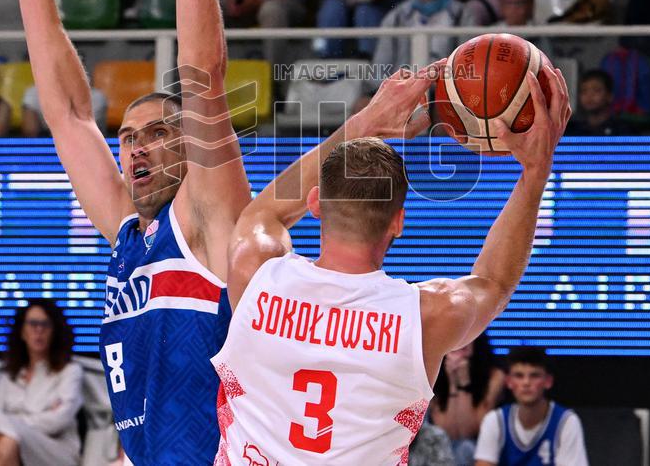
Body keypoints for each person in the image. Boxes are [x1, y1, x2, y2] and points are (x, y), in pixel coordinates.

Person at [13, 0, 250, 463]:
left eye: (157, 132)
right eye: (127, 137)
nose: (136, 147)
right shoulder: (127, 236)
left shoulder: (210, 224)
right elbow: (66, 115)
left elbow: (202, 76)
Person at [211, 61, 571, 463]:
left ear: (314, 203)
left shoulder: (255, 270)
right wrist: (537, 170)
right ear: (399, 221)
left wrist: (369, 119)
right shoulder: (427, 314)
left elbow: (266, 214)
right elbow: (495, 282)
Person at [0, 300, 83, 466]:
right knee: (5, 441)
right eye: (33, 324)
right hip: (14, 443)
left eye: (45, 324)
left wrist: (14, 422)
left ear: (55, 331)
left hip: (56, 449)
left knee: (1, 428)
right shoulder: (11, 376)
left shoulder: (70, 371)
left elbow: (59, 421)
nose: (39, 330)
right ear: (22, 332)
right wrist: (14, 424)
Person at [370, 0, 476, 88]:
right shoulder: (396, 17)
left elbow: (468, 63)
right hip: (402, 92)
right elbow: (381, 64)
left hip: (446, 92)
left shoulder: (463, 15)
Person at [474, 347, 589, 466]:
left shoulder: (566, 422)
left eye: (534, 375)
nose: (526, 383)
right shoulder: (495, 420)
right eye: (519, 376)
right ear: (508, 381)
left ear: (548, 381)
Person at [431, 333, 505, 466]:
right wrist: (453, 383)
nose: (461, 341)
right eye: (456, 335)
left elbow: (469, 431)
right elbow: (446, 431)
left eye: (467, 335)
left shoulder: (495, 375)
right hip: (443, 449)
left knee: (465, 448)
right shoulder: (432, 371)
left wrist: (464, 382)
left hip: (478, 447)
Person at [566, 70, 636, 136]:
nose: (589, 96)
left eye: (596, 90)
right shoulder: (571, 130)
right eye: (584, 91)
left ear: (609, 96)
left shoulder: (623, 131)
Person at [21, 85, 108, 137]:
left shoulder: (96, 97)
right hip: (47, 150)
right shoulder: (34, 93)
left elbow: (85, 134)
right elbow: (30, 132)